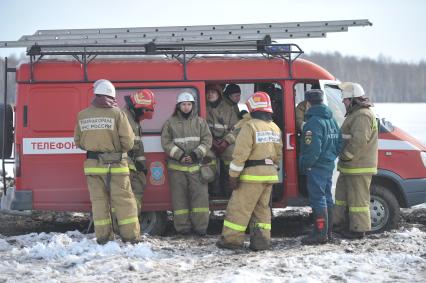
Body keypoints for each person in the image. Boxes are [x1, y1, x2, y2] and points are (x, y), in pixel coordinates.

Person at [74, 79, 141, 244]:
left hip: (93, 167)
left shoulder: (82, 115)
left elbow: (79, 142)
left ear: (96, 94)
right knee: (124, 202)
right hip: (116, 167)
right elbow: (128, 142)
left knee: (99, 202)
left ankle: (103, 238)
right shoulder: (118, 114)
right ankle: (131, 238)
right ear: (112, 95)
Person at [216, 91, 283, 251]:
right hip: (269, 174)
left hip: (251, 176)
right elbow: (278, 154)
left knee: (239, 208)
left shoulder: (249, 126)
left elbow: (240, 155)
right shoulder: (274, 127)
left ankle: (231, 241)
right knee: (262, 210)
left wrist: (233, 176)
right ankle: (261, 242)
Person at [161, 92, 213, 236]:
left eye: (189, 104)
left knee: (200, 200)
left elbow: (207, 141)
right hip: (177, 170)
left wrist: (196, 154)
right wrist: (180, 156)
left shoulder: (200, 122)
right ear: (178, 106)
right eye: (183, 104)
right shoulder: (170, 123)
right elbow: (166, 142)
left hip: (197, 168)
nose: (186, 107)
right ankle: (183, 229)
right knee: (179, 201)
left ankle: (201, 229)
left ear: (193, 105)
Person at [334, 82, 378, 239]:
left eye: (345, 100)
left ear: (353, 100)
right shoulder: (355, 114)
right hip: (349, 166)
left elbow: (359, 141)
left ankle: (359, 230)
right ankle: (339, 224)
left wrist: (346, 155)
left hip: (358, 166)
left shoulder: (363, 115)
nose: (343, 102)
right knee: (341, 197)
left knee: (358, 201)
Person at [298, 89, 342, 245]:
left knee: (318, 199)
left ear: (308, 103)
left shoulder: (313, 122)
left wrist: (305, 165)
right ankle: (327, 232)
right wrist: (330, 157)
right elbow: (339, 143)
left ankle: (320, 234)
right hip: (328, 165)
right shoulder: (331, 120)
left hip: (316, 166)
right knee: (327, 198)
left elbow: (312, 149)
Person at [122, 89, 156, 214]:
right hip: (125, 164)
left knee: (136, 191)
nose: (145, 113)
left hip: (131, 164)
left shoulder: (133, 119)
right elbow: (120, 146)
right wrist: (132, 166)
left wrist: (141, 165)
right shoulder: (124, 118)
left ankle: (132, 222)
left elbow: (137, 145)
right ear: (137, 107)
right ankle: (128, 222)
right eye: (145, 110)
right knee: (131, 193)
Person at [206, 84, 241, 197]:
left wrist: (226, 142)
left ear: (219, 94)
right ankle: (213, 191)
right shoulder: (202, 107)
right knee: (208, 160)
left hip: (226, 143)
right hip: (209, 143)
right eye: (209, 92)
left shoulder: (228, 109)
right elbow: (200, 128)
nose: (210, 94)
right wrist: (211, 142)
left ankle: (230, 191)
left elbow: (236, 129)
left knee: (232, 158)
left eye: (214, 92)